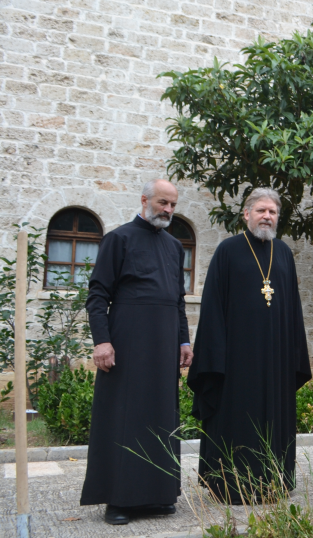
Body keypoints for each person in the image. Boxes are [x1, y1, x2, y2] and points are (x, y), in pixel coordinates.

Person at [187, 188, 311, 504]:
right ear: (246, 214)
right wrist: (215, 359)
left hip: (276, 362)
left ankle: (274, 481)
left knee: (274, 420)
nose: (267, 216)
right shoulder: (227, 251)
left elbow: (293, 309)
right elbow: (213, 308)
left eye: (272, 212)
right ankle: (230, 484)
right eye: (261, 211)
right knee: (236, 419)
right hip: (236, 362)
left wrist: (296, 355)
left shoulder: (283, 253)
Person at [81, 179, 192, 525]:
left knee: (160, 418)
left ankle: (157, 496)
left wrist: (184, 341)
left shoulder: (175, 247)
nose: (168, 210)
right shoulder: (119, 238)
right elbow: (98, 295)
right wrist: (102, 341)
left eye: (173, 205)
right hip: (127, 343)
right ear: (144, 200)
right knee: (123, 419)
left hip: (163, 346)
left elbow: (177, 301)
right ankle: (119, 500)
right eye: (163, 203)